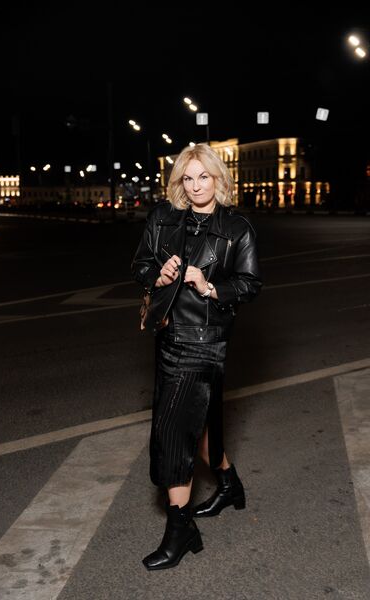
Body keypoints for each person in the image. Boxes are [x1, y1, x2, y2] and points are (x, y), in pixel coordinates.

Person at [131, 143, 263, 570]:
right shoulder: (163, 218)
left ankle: (180, 530)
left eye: (203, 176)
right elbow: (140, 264)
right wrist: (158, 275)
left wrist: (209, 287)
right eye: (187, 178)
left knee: (173, 434)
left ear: (218, 178)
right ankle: (228, 484)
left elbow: (249, 284)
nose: (195, 186)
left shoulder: (236, 229)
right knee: (199, 430)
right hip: (168, 337)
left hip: (205, 342)